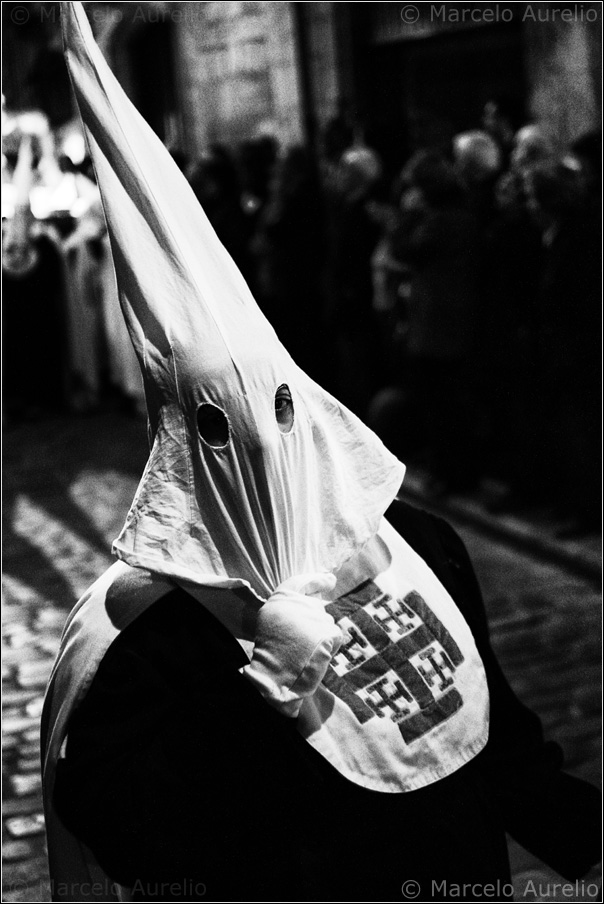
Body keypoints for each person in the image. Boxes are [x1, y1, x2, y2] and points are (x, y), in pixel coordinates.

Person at [42, 6, 601, 903]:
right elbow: (130, 828)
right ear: (178, 449)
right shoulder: (142, 641)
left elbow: (490, 729)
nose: (263, 441)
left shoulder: (415, 542)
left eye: (278, 405)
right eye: (219, 427)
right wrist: (255, 688)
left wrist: (582, 837)